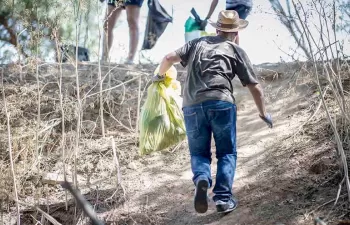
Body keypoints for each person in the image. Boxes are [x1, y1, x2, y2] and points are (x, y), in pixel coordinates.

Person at [152, 10, 273, 214]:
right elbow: (255, 88)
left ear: (216, 29)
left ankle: (201, 178)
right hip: (221, 104)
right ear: (236, 33)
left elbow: (168, 57)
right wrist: (263, 114)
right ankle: (223, 199)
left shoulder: (197, 43)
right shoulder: (236, 50)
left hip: (191, 107)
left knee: (199, 152)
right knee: (226, 152)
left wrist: (159, 76)